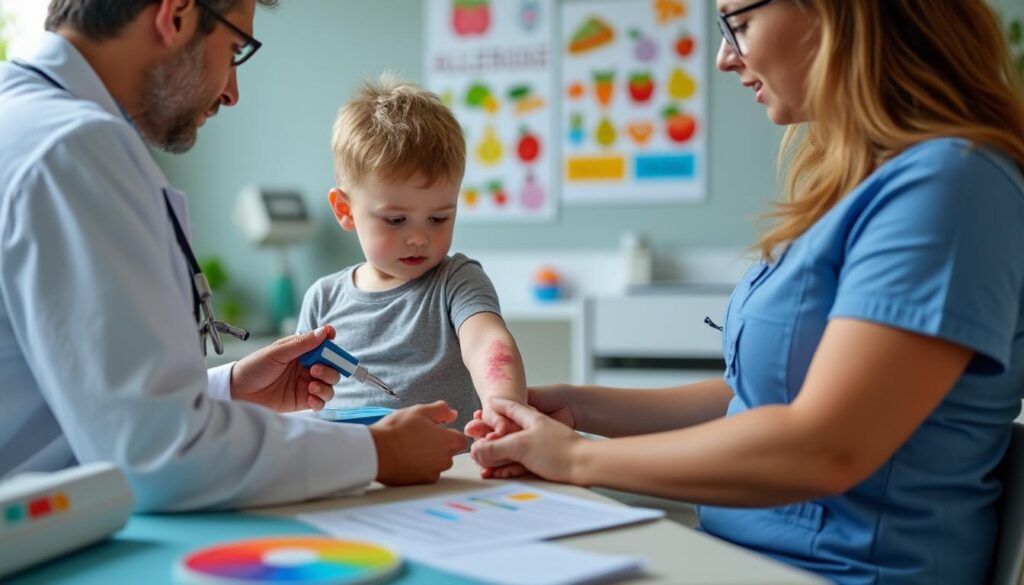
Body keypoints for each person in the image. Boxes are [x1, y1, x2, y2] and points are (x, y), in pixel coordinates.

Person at [467, 1, 1024, 583]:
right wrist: (580, 408)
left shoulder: (952, 187)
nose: (724, 56)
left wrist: (578, 458)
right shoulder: (869, 184)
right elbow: (753, 400)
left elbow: (825, 446)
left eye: (739, 22)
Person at [0, 0, 465, 513]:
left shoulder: (27, 123)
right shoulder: (71, 150)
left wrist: (230, 390)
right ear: (174, 16)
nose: (232, 92)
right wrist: (377, 452)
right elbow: (157, 456)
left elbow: (85, 408)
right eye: (235, 49)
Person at [296, 76, 528, 435]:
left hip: (448, 477)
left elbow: (486, 342)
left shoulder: (457, 281)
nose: (419, 237)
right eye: (396, 219)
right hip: (354, 475)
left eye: (439, 218)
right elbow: (300, 399)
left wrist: (505, 408)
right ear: (345, 210)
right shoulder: (321, 300)